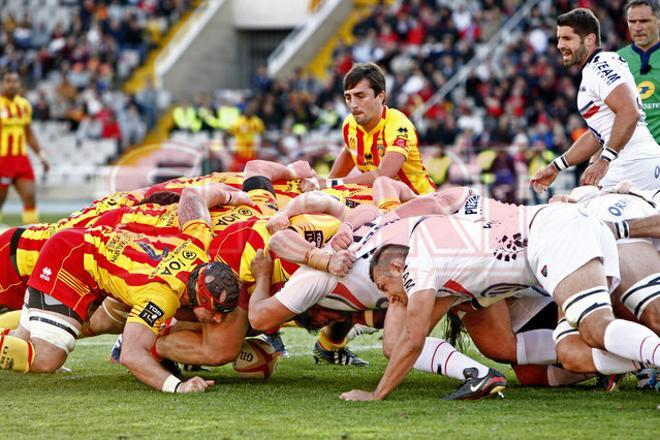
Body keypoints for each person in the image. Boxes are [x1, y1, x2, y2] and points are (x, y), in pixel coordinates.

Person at [340, 202, 660, 400]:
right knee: (572, 351)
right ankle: (646, 357)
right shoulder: (448, 262)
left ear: (397, 266)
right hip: (564, 229)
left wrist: (376, 393)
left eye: (384, 286)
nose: (388, 297)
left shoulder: (418, 265)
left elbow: (412, 338)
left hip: (552, 234)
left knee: (595, 327)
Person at [0, 184, 237, 393]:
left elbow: (193, 195)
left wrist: (232, 197)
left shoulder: (198, 244)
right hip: (71, 261)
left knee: (22, 340)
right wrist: (178, 386)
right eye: (216, 311)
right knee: (45, 359)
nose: (218, 319)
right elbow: (131, 355)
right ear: (198, 297)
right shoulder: (162, 294)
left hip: (81, 252)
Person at [531, 8, 660, 193]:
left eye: (567, 38)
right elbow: (597, 134)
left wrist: (604, 160)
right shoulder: (599, 65)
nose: (560, 45)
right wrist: (555, 166)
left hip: (632, 164)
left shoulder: (599, 67)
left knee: (579, 215)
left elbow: (629, 112)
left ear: (590, 40)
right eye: (559, 39)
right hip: (639, 161)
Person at [302, 63, 435, 195]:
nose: (353, 104)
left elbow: (384, 175)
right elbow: (347, 157)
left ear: (380, 96)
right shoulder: (349, 125)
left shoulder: (399, 125)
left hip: (421, 201)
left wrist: (330, 183)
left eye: (360, 96)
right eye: (348, 97)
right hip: (383, 203)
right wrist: (322, 184)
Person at [0, 71, 49, 225]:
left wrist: (41, 155)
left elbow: (28, 134)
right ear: (3, 83)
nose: (12, 84)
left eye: (15, 81)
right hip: (2, 159)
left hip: (21, 159)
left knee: (30, 197)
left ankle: (31, 237)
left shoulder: (24, 105)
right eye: (8, 81)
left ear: (20, 84)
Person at [618, 0, 660, 144]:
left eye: (644, 21)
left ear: (658, 21)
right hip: (630, 155)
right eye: (632, 21)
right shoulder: (616, 60)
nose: (637, 27)